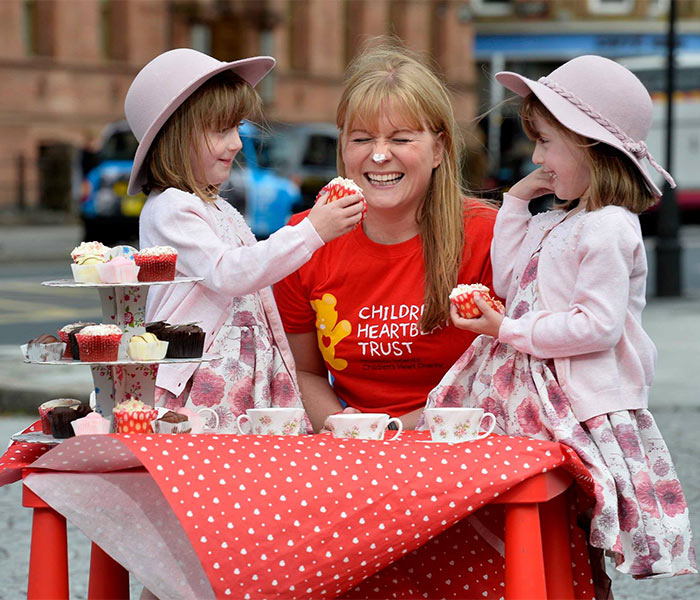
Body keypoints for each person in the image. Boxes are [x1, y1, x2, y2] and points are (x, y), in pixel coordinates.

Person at [423, 55, 696, 582]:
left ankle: (572, 585)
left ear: (591, 146)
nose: (536, 156)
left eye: (546, 142)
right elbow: (506, 279)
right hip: (538, 388)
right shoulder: (558, 218)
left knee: (572, 516)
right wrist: (516, 203)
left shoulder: (609, 227)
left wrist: (506, 330)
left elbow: (597, 326)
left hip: (576, 398)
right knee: (531, 506)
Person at [124, 48, 365, 432]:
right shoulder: (172, 207)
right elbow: (229, 274)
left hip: (237, 371)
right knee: (216, 468)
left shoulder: (212, 205)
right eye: (221, 130)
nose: (236, 143)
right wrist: (312, 231)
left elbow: (253, 274)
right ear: (175, 136)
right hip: (206, 380)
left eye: (236, 127)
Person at [273, 41, 498, 433]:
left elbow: (504, 372)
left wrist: (393, 430)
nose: (379, 155)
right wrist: (342, 426)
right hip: (354, 448)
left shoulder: (489, 235)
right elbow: (305, 371)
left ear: (439, 149)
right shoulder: (302, 240)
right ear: (343, 146)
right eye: (361, 139)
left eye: (400, 138)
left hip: (462, 445)